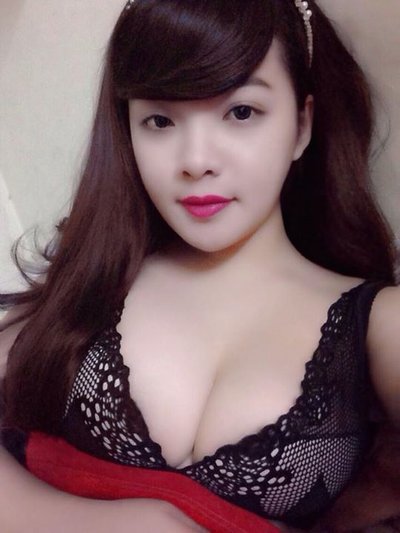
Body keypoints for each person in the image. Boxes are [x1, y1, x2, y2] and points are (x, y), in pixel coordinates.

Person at [0, 0, 399, 531]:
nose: (195, 160)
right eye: (160, 120)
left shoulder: (378, 324)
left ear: (302, 125)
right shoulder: (96, 279)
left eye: (241, 112)